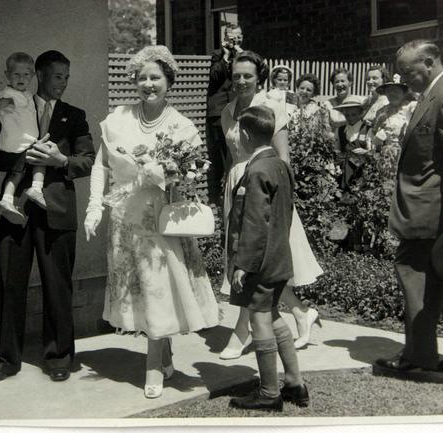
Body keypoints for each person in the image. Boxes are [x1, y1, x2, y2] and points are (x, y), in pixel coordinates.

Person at [84, 45, 219, 399]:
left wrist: (162, 174)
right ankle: (164, 351)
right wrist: (94, 207)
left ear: (169, 80)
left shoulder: (181, 125)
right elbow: (101, 164)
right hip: (125, 219)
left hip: (160, 220)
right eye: (142, 77)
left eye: (155, 77)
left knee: (159, 289)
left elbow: (190, 173)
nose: (148, 83)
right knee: (143, 293)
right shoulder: (119, 118)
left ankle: (154, 365)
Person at [375, 40, 443, 375]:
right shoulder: (432, 93)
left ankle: (418, 356)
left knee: (414, 277)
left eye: (409, 72)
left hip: (434, 214)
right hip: (435, 211)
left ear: (428, 62)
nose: (404, 79)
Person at [0, 50, 96, 383]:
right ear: (40, 76)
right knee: (10, 284)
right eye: (57, 76)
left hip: (56, 212)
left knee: (57, 287)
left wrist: (61, 160)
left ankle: (58, 357)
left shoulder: (74, 115)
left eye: (67, 76)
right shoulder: (17, 104)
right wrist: (24, 156)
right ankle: (7, 360)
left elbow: (87, 160)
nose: (63, 82)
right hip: (14, 207)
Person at [218, 51, 322, 359]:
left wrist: (281, 204)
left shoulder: (273, 107)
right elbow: (232, 156)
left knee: (260, 260)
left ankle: (241, 331)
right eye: (236, 76)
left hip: (265, 188)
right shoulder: (227, 111)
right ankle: (302, 313)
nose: (241, 81)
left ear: (259, 77)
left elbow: (284, 160)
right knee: (248, 259)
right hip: (236, 188)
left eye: (247, 76)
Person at [228, 105, 309, 411]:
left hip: (259, 260)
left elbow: (254, 222)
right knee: (273, 316)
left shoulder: (258, 169)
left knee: (260, 319)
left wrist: (243, 265)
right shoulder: (279, 165)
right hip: (278, 255)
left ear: (246, 134)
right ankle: (295, 383)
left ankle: (268, 392)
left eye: (238, 131)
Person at [0, 52, 46, 224]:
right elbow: (1, 105)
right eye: (16, 74)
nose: (21, 78)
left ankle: (7, 200)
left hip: (22, 143)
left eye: (26, 75)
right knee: (40, 159)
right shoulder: (10, 95)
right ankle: (36, 188)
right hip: (20, 142)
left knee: (16, 174)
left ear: (32, 76)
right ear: (7, 75)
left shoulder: (27, 95)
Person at [205, 24, 244, 204]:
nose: (234, 40)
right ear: (224, 38)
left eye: (237, 37)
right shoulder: (217, 55)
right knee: (220, 157)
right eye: (230, 37)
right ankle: (219, 198)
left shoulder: (244, 56)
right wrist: (226, 57)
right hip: (219, 112)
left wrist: (240, 53)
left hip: (239, 110)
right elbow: (214, 76)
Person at [367, 74, 417, 178]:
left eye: (396, 91)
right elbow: (373, 133)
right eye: (389, 91)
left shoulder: (411, 108)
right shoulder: (382, 111)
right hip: (386, 157)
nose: (392, 94)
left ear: (404, 92)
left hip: (407, 155)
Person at [334, 95, 371, 191]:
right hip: (343, 172)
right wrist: (337, 166)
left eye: (354, 114)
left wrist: (365, 151)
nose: (350, 118)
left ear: (361, 113)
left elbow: (372, 151)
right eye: (347, 115)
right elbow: (337, 149)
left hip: (361, 172)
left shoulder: (367, 129)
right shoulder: (340, 130)